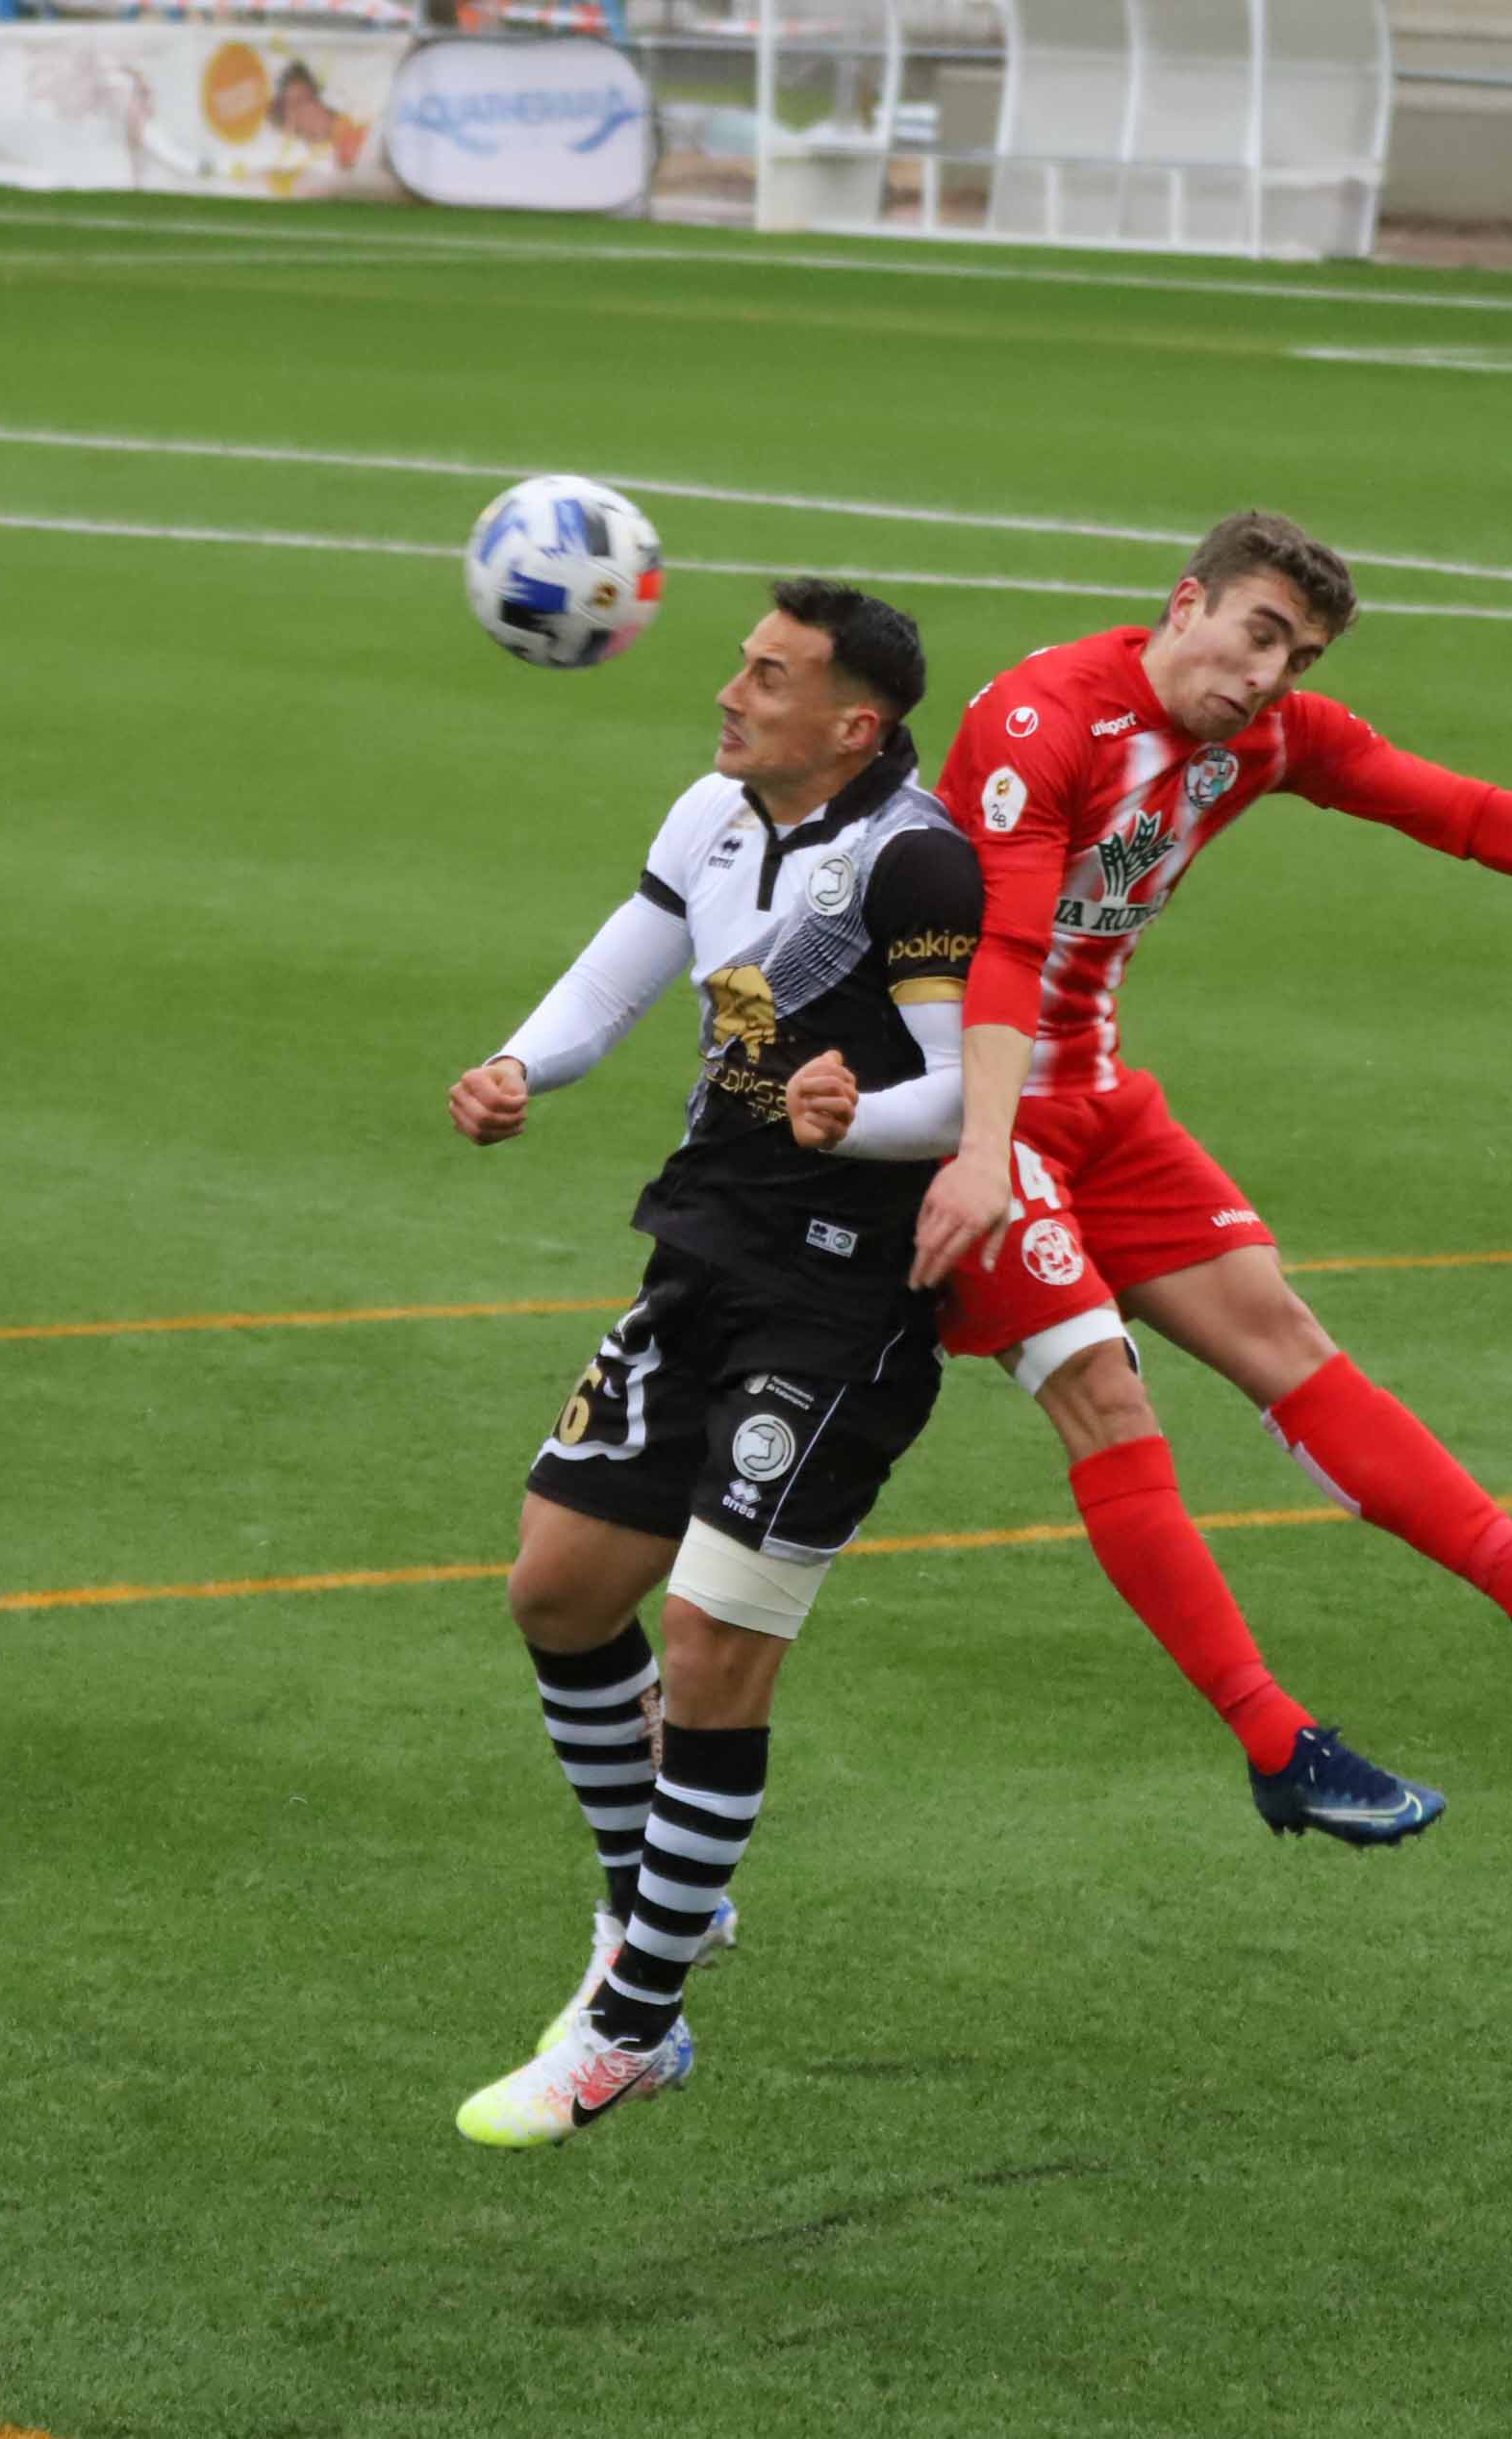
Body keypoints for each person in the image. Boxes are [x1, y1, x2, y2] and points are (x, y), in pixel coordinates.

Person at [903, 513, 1512, 1853]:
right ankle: (1275, 1740)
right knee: (1107, 1398)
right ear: (1184, 604)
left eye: (1293, 654)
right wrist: (985, 1151)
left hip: (1097, 1106)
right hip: (961, 1103)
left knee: (1280, 1329)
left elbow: (1451, 808)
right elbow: (998, 951)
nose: (1267, 673)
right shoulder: (1040, 716)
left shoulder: (1265, 736)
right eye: (1254, 632)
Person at [443, 580, 978, 2147]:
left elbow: (958, 1091)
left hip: (841, 1307)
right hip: (705, 1264)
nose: (731, 692)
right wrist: (517, 1064)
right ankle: (650, 1915)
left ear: (853, 726)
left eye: (768, 674)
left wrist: (849, 1120)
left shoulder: (916, 859)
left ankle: (634, 2026)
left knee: (713, 1639)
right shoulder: (716, 814)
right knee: (558, 1590)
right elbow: (624, 971)